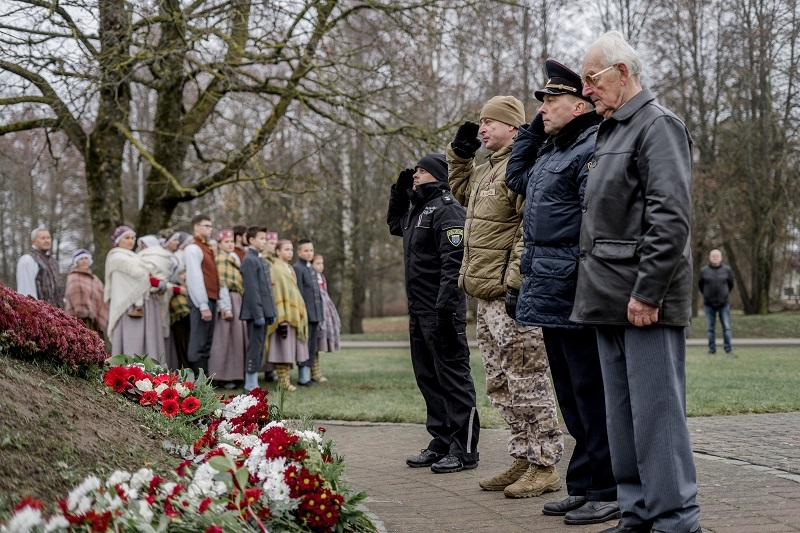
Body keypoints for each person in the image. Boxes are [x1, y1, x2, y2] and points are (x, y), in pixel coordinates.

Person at [572, 31, 701, 533]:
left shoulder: (657, 126)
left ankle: (674, 518)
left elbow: (670, 218)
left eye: (591, 79)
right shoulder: (612, 129)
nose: (586, 90)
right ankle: (638, 511)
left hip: (643, 301)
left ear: (623, 73)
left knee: (657, 418)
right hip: (608, 299)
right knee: (622, 420)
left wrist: (648, 291)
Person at [506, 60, 618, 524]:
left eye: (551, 101)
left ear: (579, 105)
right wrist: (538, 125)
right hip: (549, 288)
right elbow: (516, 178)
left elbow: (595, 222)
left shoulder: (590, 147)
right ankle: (583, 483)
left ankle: (608, 487)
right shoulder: (554, 150)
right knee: (571, 395)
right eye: (541, 102)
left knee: (591, 393)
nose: (543, 108)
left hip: (575, 288)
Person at [447, 95, 563, 495]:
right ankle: (522, 455)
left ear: (512, 127)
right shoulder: (487, 170)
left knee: (526, 379)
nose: (482, 129)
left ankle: (545, 463)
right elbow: (462, 193)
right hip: (484, 297)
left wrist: (516, 282)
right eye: (481, 122)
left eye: (489, 123)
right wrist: (460, 157)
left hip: (510, 297)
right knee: (499, 382)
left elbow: (528, 232)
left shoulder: (522, 167)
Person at [387, 152, 480, 474]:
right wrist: (397, 192)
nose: (416, 174)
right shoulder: (416, 212)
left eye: (423, 171)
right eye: (416, 170)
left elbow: (453, 265)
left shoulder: (448, 211)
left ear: (439, 175)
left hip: (442, 313)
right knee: (429, 379)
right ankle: (441, 442)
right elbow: (394, 225)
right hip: (419, 312)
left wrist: (444, 310)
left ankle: (464, 450)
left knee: (453, 380)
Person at [104, 226, 171, 358]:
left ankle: (151, 375)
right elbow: (141, 276)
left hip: (146, 303)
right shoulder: (116, 257)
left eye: (133, 238)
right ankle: (130, 374)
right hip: (128, 305)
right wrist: (157, 282)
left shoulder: (136, 257)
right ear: (118, 240)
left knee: (149, 341)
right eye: (127, 238)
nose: (131, 241)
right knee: (132, 341)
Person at [266, 239, 310, 391]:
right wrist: (281, 317)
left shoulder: (289, 267)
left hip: (293, 313)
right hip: (282, 314)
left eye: (291, 249)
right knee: (282, 349)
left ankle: (287, 380)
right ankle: (283, 381)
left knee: (289, 348)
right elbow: (278, 292)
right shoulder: (276, 268)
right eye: (286, 249)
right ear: (277, 251)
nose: (289, 252)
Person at [240, 226, 278, 392]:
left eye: (265, 239)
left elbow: (267, 291)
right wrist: (258, 313)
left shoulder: (261, 260)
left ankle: (254, 380)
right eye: (261, 239)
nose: (265, 241)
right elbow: (253, 291)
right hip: (255, 313)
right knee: (254, 346)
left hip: (264, 312)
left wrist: (271, 312)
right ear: (251, 240)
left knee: (260, 346)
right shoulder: (249, 260)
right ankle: (250, 382)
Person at [209, 229, 248, 388]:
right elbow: (222, 283)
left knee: (237, 338)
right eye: (226, 242)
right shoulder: (220, 259)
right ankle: (224, 376)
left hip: (237, 298)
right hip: (227, 300)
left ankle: (237, 373)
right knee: (225, 339)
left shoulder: (233, 258)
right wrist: (225, 307)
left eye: (232, 241)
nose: (230, 244)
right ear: (219, 244)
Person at [184, 214, 220, 375]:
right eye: (206, 225)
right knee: (198, 342)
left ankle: (204, 379)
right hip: (201, 301)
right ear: (196, 227)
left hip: (211, 298)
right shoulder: (193, 248)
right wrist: (203, 304)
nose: (210, 229)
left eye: (211, 226)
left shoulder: (207, 248)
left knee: (206, 342)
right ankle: (198, 379)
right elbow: (195, 278)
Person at [138, 235, 175, 362]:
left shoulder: (142, 257)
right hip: (162, 294)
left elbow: (143, 275)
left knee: (150, 331)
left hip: (148, 297)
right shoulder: (167, 256)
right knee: (158, 330)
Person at [294, 238, 324, 385]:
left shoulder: (311, 268)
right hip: (305, 314)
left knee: (312, 345)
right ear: (299, 252)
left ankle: (310, 374)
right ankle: (303, 376)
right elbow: (298, 292)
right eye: (306, 250)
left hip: (315, 314)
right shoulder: (298, 268)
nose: (309, 253)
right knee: (304, 345)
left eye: (311, 250)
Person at [64, 249, 108, 335]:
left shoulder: (95, 279)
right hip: (79, 320)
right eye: (81, 259)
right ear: (76, 262)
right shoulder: (73, 277)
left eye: (86, 258)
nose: (84, 261)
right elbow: (74, 297)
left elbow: (102, 296)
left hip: (95, 320)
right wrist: (83, 311)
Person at [16, 227, 63, 308]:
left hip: (57, 315)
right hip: (40, 315)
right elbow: (26, 294)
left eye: (48, 238)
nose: (47, 240)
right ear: (33, 241)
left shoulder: (53, 262)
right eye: (43, 238)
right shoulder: (27, 260)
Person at [698, 249, 734, 354]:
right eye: (713, 255)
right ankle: (712, 349)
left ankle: (728, 349)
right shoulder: (703, 271)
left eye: (717, 256)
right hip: (708, 304)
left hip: (724, 304)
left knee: (727, 327)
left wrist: (724, 295)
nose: (715, 257)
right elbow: (700, 285)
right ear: (709, 257)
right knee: (710, 328)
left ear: (721, 257)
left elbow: (730, 284)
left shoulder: (727, 270)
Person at [312, 254, 341, 356]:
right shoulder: (312, 278)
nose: (321, 266)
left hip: (326, 309)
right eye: (317, 263)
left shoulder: (322, 278)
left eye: (322, 263)